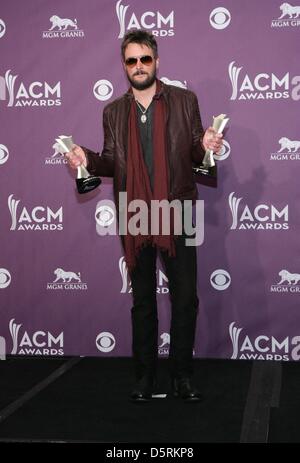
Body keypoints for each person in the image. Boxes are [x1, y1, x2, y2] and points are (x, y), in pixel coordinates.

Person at [66, 30, 223, 403]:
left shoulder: (185, 101)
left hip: (178, 210)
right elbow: (111, 161)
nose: (139, 66)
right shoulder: (113, 112)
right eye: (131, 60)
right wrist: (85, 158)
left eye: (145, 59)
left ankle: (182, 377)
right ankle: (145, 378)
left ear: (157, 61)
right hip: (135, 212)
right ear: (124, 66)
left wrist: (206, 147)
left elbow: (196, 152)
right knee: (143, 302)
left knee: (185, 300)